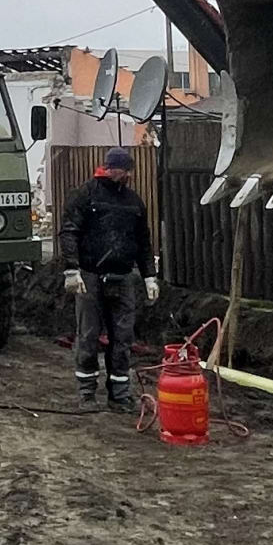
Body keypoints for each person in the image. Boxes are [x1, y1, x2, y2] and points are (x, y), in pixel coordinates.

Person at [58, 144, 157, 411]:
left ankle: (120, 395)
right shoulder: (85, 195)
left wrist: (149, 275)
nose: (128, 175)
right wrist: (71, 269)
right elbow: (69, 232)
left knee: (122, 338)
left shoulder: (134, 202)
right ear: (111, 169)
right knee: (88, 335)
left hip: (122, 277)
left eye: (128, 171)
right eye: (124, 170)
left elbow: (143, 242)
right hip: (90, 276)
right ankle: (87, 393)